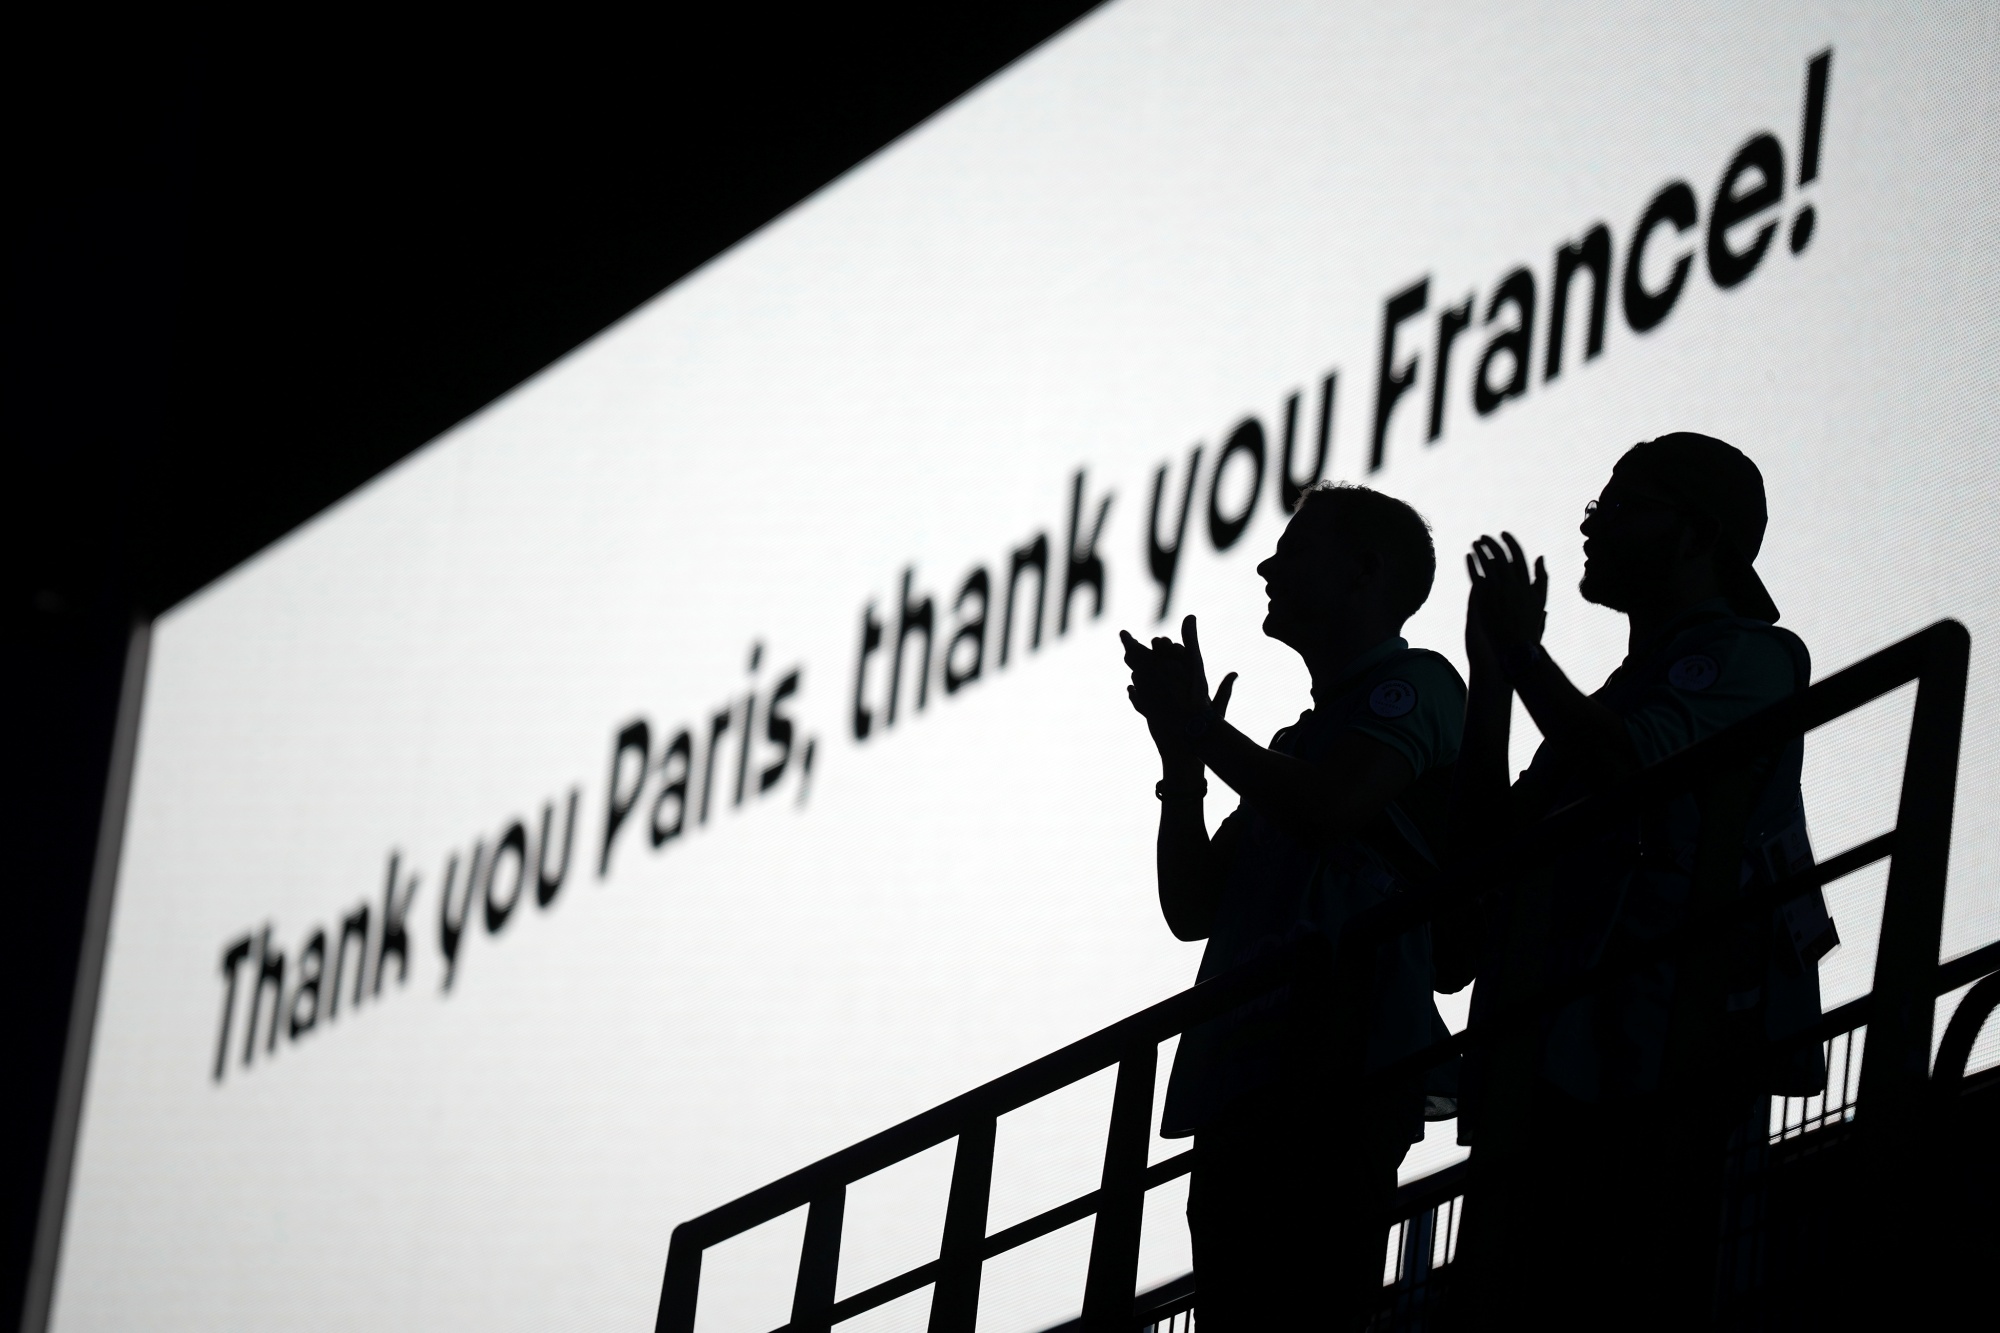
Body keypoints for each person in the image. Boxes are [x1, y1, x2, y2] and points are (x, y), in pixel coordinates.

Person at [1449, 433, 1832, 1328]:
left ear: (1697, 534)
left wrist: (1528, 659)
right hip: (1561, 1056)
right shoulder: (1614, 694)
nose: (1592, 526)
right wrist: (1493, 679)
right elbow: (1482, 853)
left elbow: (1634, 772)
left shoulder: (1752, 655)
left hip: (1672, 1051)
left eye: (1621, 509)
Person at [1121, 482, 1464, 1330]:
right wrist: (1183, 765)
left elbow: (1334, 806)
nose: (1271, 565)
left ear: (1364, 573)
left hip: (1339, 1063)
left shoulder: (1418, 686)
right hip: (1247, 1077)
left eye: (1297, 550)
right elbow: (1194, 903)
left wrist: (1205, 733)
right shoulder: (1293, 746)